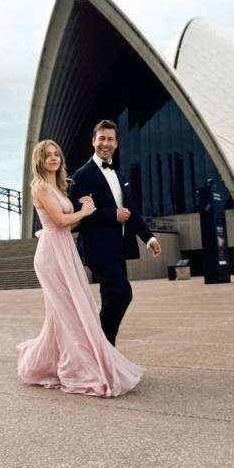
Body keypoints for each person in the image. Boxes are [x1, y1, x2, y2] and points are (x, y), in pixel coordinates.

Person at [16, 139, 143, 397]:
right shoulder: (40, 187)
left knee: (66, 312)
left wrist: (88, 212)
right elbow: (62, 221)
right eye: (47, 155)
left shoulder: (58, 186)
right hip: (51, 254)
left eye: (56, 155)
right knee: (69, 312)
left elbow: (68, 224)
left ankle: (48, 362)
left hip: (64, 249)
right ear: (39, 160)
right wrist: (85, 212)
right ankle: (76, 368)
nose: (53, 159)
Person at [69, 119, 161, 347]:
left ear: (116, 143)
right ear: (93, 141)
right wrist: (112, 214)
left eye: (110, 139)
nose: (105, 143)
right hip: (98, 248)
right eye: (101, 138)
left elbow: (132, 212)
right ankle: (101, 343)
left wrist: (149, 237)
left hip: (119, 247)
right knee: (122, 294)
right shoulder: (82, 175)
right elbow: (78, 211)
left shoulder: (119, 176)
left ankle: (104, 351)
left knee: (111, 298)